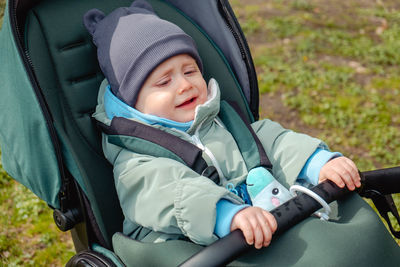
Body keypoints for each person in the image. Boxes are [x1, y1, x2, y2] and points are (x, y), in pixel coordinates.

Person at [84, 0, 361, 249]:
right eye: (164, 82)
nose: (184, 85)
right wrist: (224, 213)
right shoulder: (135, 162)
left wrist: (316, 162)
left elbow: (271, 142)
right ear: (132, 103)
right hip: (186, 246)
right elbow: (169, 192)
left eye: (190, 71)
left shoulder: (223, 122)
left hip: (261, 228)